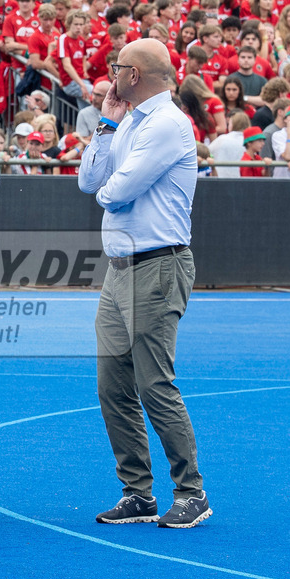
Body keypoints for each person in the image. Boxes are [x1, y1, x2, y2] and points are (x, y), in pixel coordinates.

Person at [78, 38, 212, 529]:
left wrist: (113, 180)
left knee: (154, 382)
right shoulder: (130, 122)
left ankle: (191, 491)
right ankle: (138, 492)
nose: (110, 76)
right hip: (120, 269)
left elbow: (115, 192)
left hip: (158, 265)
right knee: (112, 385)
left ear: (133, 75)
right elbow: (89, 181)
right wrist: (108, 125)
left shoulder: (168, 124)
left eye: (117, 68)